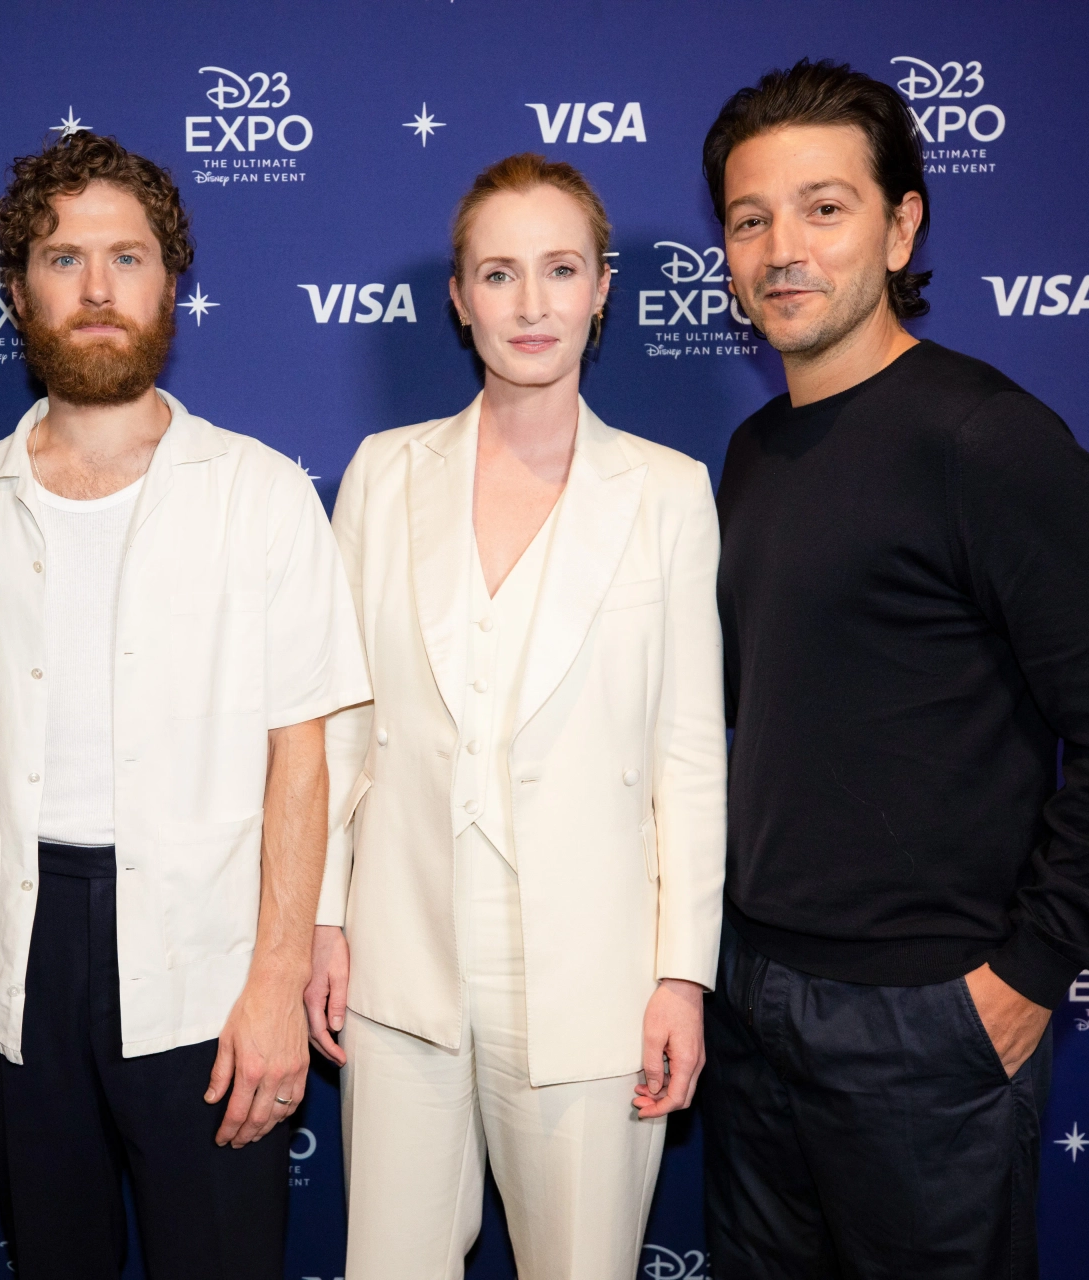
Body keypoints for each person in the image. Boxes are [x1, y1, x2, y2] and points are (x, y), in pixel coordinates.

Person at [698, 61, 1089, 1279]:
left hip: (926, 1018)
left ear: (902, 221)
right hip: (753, 994)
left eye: (825, 207)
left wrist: (1027, 971)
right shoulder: (752, 452)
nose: (782, 249)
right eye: (751, 218)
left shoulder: (987, 438)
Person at [0, 131, 369, 1280]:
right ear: (18, 288)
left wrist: (272, 980)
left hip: (209, 951)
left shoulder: (257, 492)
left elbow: (301, 758)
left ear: (171, 284)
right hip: (20, 951)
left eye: (128, 258)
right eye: (64, 259)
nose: (98, 289)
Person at [309, 153, 727, 1279]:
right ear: (459, 297)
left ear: (603, 287)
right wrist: (326, 915)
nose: (531, 304)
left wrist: (682, 971)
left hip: (598, 969)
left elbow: (690, 751)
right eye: (499, 273)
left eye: (558, 269)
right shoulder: (383, 473)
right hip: (404, 953)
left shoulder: (670, 491)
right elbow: (341, 718)